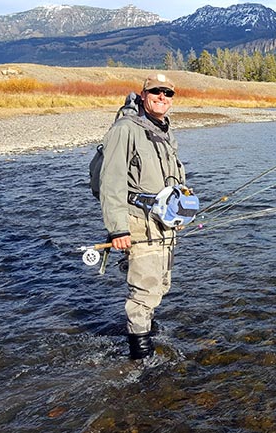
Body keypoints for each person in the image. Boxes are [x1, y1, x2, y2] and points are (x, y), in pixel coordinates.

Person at [98, 73, 186, 359]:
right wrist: (117, 229)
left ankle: (144, 329)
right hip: (138, 222)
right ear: (143, 94)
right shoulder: (126, 129)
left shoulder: (163, 130)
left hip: (164, 221)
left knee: (161, 284)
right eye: (156, 92)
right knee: (143, 289)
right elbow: (111, 182)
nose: (162, 97)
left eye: (167, 93)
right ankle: (140, 357)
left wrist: (182, 208)